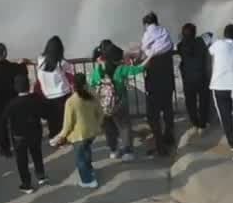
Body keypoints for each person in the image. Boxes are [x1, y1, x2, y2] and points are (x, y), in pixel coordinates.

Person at [131, 13, 176, 155]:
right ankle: (169, 137)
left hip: (154, 81)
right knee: (168, 109)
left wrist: (136, 60)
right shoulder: (165, 32)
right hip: (168, 79)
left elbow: (144, 52)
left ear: (146, 24)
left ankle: (160, 146)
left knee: (153, 116)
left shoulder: (148, 34)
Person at [87, 43, 140, 163]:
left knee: (109, 128)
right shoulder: (120, 69)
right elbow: (138, 69)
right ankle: (127, 151)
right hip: (120, 102)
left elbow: (93, 84)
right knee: (124, 126)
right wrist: (148, 57)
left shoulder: (99, 69)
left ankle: (113, 150)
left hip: (105, 104)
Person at [50, 80, 103, 188]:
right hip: (92, 132)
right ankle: (90, 171)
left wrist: (60, 137)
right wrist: (98, 125)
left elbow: (68, 124)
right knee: (87, 152)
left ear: (72, 86)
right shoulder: (92, 96)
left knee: (80, 159)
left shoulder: (71, 101)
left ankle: (88, 181)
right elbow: (100, 113)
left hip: (78, 135)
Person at [3, 73, 48, 191]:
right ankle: (41, 176)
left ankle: (26, 184)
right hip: (35, 133)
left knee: (22, 161)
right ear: (28, 86)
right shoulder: (36, 98)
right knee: (37, 154)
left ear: (15, 87)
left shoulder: (12, 104)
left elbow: (5, 120)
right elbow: (44, 113)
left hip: (19, 136)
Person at [206, 24, 233, 151]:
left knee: (225, 115)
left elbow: (209, 52)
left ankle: (232, 142)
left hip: (219, 86)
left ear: (224, 35)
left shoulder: (217, 44)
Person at [0, 43, 25, 158]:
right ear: (5, 53)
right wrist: (22, 63)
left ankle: (5, 150)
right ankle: (17, 147)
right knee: (14, 125)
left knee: (0, 127)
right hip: (11, 101)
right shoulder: (12, 67)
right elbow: (22, 73)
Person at [174, 23, 211, 137]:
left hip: (188, 79)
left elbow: (179, 49)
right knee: (204, 101)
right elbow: (209, 36)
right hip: (201, 77)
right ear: (194, 33)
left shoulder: (181, 46)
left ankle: (195, 123)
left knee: (191, 102)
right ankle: (202, 125)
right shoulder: (200, 42)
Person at [35, 37, 75, 138]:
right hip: (62, 93)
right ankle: (64, 137)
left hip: (47, 95)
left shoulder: (40, 60)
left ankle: (54, 137)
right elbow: (71, 70)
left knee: (52, 119)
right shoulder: (61, 62)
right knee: (64, 118)